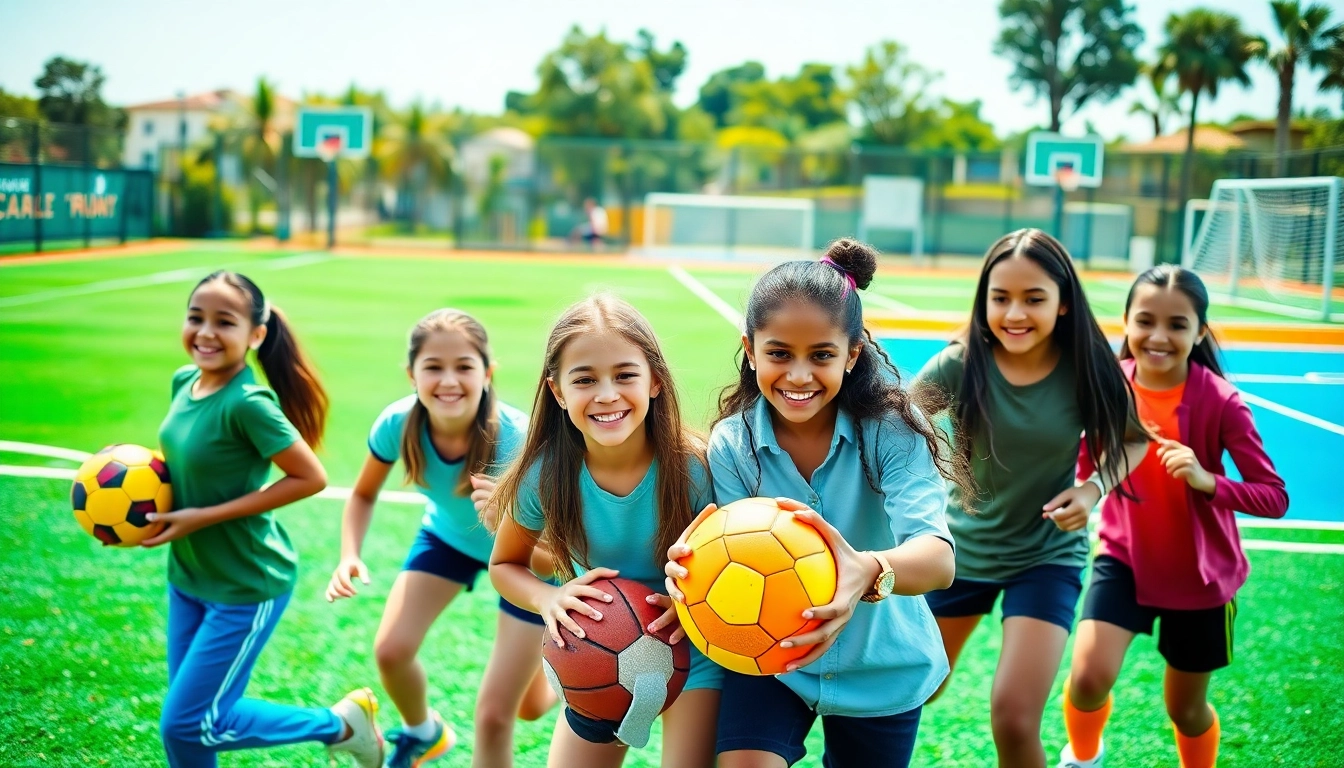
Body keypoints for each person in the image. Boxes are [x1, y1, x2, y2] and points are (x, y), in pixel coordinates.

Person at [666, 239, 970, 768]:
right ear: (750, 349)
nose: (799, 375)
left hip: (882, 665)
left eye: (822, 355)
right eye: (779, 353)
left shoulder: (894, 431)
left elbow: (938, 560)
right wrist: (692, 572)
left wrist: (868, 570)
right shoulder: (734, 444)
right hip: (771, 659)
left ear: (853, 354)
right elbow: (727, 554)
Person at [913, 229, 1150, 768]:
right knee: (916, 690)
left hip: (1045, 558)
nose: (1014, 313)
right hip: (958, 555)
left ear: (1063, 303)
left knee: (1014, 719)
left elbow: (1133, 440)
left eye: (1033, 298)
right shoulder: (959, 364)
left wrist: (1092, 489)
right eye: (1000, 298)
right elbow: (895, 423)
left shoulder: (1087, 369)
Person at [147, 271, 382, 768]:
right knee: (189, 729)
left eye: (224, 322)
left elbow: (310, 477)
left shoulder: (248, 404)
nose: (205, 332)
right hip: (187, 575)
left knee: (186, 723)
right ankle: (341, 724)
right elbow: (187, 463)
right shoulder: (184, 382)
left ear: (255, 334)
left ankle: (341, 726)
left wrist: (202, 517)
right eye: (196, 318)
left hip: (245, 584)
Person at [1056, 266, 1287, 768]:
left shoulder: (1222, 402)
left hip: (1200, 580)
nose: (1158, 337)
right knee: (1088, 679)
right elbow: (1087, 463)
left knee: (1184, 709)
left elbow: (1274, 498)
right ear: (1126, 322)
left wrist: (1208, 481)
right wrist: (1081, 494)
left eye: (1177, 325)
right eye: (1145, 321)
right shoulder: (1109, 386)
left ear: (1199, 332)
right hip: (1124, 560)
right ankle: (1083, 758)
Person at [490, 294, 722, 768]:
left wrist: (694, 609)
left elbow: (731, 568)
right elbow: (504, 565)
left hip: (695, 650)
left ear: (655, 380)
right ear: (557, 392)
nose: (607, 394)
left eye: (625, 375)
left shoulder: (695, 469)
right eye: (584, 380)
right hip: (598, 653)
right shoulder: (545, 474)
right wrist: (548, 598)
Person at [325, 308, 556, 768]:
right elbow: (363, 494)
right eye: (433, 367)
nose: (448, 381)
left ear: (487, 373)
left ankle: (563, 676)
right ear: (411, 375)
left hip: (525, 561)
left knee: (510, 712)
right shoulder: (396, 424)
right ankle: (423, 733)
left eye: (464, 366)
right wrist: (349, 554)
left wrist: (504, 524)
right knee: (391, 651)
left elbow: (556, 557)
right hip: (448, 539)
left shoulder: (520, 441)